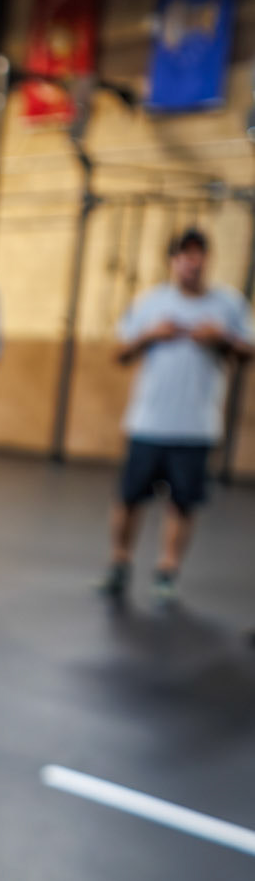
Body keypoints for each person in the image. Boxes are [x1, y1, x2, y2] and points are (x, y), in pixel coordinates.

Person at [100, 226, 254, 611]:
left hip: (196, 426)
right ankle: (119, 563)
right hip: (148, 422)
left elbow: (248, 350)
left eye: (198, 254)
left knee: (183, 503)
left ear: (207, 259)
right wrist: (151, 335)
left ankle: (167, 571)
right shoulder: (151, 302)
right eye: (185, 255)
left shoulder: (228, 305)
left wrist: (223, 338)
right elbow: (120, 353)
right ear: (174, 261)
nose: (192, 262)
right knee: (129, 498)